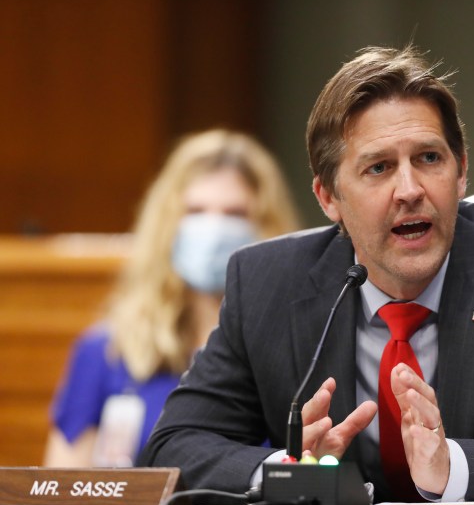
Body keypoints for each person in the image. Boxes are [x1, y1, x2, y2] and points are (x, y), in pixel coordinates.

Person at [140, 46, 474, 505]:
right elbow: (174, 447)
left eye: (429, 158)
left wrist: (453, 467)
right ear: (328, 198)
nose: (410, 189)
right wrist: (286, 470)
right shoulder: (267, 283)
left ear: (461, 171)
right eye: (378, 168)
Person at [44, 129, 300, 467]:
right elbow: (61, 489)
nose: (213, 228)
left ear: (267, 227)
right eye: (195, 210)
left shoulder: (297, 348)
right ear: (167, 224)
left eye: (235, 213)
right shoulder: (107, 350)